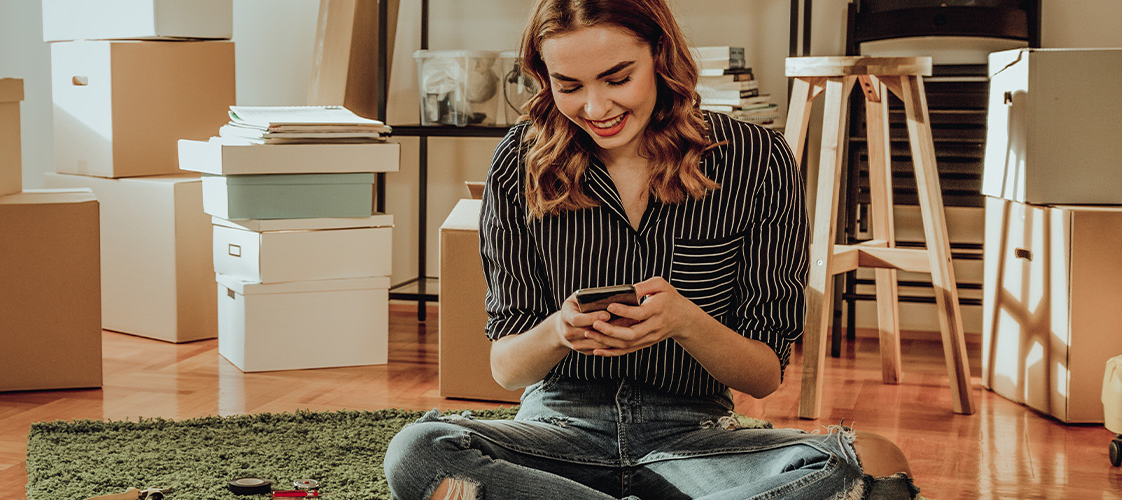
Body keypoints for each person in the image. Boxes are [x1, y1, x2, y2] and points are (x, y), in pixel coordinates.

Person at [381, 0, 920, 499]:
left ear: (662, 57)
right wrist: (559, 330)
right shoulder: (519, 161)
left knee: (872, 463)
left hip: (697, 439)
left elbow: (764, 374)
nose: (595, 107)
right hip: (556, 435)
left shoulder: (756, 158)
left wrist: (685, 321)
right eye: (569, 85)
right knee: (418, 452)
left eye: (618, 79)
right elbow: (507, 369)